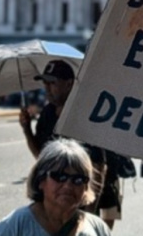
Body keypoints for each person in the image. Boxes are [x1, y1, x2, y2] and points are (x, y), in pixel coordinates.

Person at [19, 60, 122, 229]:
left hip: (95, 193)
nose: (47, 88)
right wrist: (26, 129)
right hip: (63, 196)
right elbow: (42, 157)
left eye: (52, 83)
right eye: (45, 83)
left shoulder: (83, 113)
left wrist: (88, 213)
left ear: (69, 84)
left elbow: (99, 166)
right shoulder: (48, 113)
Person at [0, 138, 111, 236]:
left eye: (78, 179)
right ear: (40, 180)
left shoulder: (97, 228)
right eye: (60, 176)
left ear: (85, 188)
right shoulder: (17, 224)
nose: (68, 185)